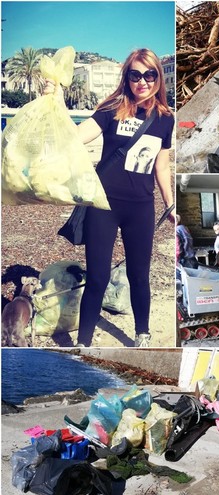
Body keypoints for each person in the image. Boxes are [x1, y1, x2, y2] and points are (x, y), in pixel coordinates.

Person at [45, 49, 175, 348]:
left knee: (139, 275)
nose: (143, 81)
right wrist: (55, 102)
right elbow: (76, 136)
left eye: (150, 74)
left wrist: (170, 203)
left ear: (158, 77)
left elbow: (162, 165)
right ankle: (85, 343)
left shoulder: (165, 119)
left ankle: (142, 334)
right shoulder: (113, 109)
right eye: (135, 75)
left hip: (141, 207)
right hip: (103, 204)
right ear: (127, 77)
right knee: (98, 277)